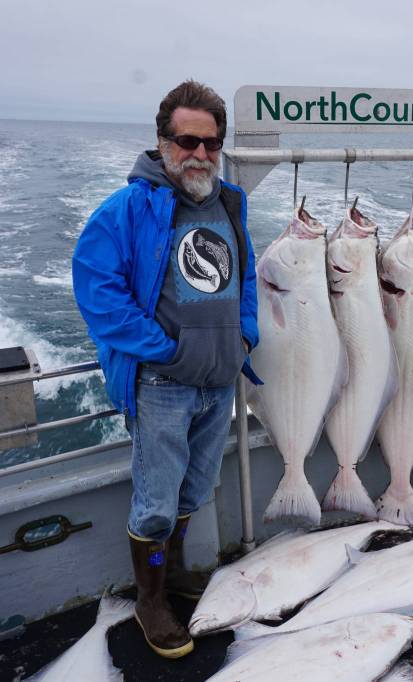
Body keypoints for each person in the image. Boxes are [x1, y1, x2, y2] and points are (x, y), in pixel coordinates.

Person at [72, 80, 259, 659]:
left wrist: (245, 335)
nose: (200, 154)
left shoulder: (230, 201)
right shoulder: (126, 209)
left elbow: (243, 276)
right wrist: (168, 351)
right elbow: (99, 295)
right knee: (155, 501)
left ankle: (174, 577)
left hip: (219, 381)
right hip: (163, 386)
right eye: (187, 141)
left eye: (211, 143)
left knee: (194, 490)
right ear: (162, 141)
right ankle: (151, 600)